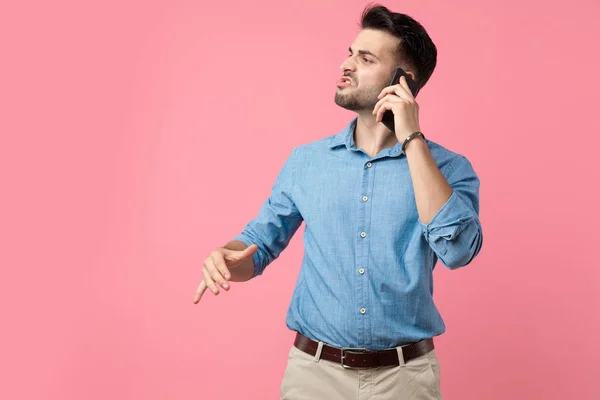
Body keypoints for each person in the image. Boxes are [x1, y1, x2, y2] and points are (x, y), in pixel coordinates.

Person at [193, 4, 483, 399]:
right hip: (314, 377)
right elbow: (255, 249)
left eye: (365, 59)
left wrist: (411, 139)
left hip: (406, 380)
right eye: (350, 52)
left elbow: (458, 251)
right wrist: (227, 257)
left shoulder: (449, 168)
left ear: (403, 82)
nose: (346, 64)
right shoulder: (306, 162)